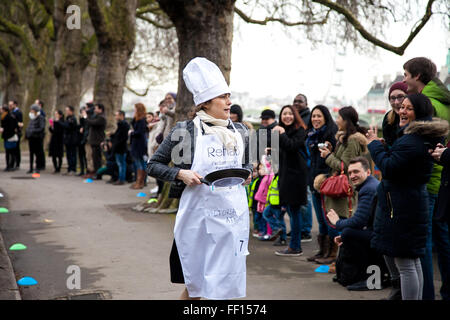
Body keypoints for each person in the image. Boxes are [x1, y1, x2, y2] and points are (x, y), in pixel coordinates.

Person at [147, 57, 252, 300]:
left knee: (226, 281)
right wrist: (180, 173)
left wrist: (247, 173)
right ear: (206, 103)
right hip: (199, 219)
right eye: (223, 97)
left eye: (229, 96)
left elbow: (245, 164)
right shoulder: (186, 131)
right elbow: (153, 165)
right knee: (198, 284)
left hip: (231, 218)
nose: (229, 102)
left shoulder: (241, 131)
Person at [367, 93, 448, 300]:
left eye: (408, 108)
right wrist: (386, 147)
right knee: (410, 261)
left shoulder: (412, 140)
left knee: (406, 263)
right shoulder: (418, 138)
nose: (402, 111)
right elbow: (401, 163)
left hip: (403, 205)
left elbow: (389, 167)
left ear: (419, 112)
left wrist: (375, 146)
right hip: (409, 202)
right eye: (401, 107)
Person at [403, 57, 450, 300]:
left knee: (424, 241)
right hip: (443, 178)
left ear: (418, 77)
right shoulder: (443, 101)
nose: (404, 80)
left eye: (406, 75)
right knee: (443, 240)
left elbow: (416, 144)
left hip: (429, 179)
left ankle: (426, 295)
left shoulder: (427, 104)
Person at [317, 106, 368, 265]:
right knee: (336, 222)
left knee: (341, 223)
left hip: (344, 189)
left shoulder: (352, 140)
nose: (336, 120)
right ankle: (338, 259)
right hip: (341, 187)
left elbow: (346, 166)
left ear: (346, 121)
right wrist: (333, 151)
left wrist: (328, 156)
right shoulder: (345, 138)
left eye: (339, 117)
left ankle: (342, 260)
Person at [326, 157, 381, 290]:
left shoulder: (368, 189)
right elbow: (363, 219)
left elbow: (358, 221)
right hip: (379, 231)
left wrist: (338, 222)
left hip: (382, 236)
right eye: (350, 173)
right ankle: (352, 275)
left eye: (356, 171)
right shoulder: (368, 185)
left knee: (349, 233)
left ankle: (370, 280)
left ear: (368, 172)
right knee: (347, 234)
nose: (352, 176)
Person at [272, 105, 308, 256]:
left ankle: (295, 246)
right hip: (286, 176)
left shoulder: (300, 130)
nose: (287, 116)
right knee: (292, 212)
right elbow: (282, 151)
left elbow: (292, 146)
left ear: (295, 116)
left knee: (295, 212)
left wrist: (281, 133)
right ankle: (294, 245)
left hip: (296, 177)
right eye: (284, 114)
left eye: (290, 114)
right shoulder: (284, 131)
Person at [305, 105, 338, 262]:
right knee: (320, 220)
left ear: (326, 117)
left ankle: (332, 254)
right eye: (313, 116)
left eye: (319, 116)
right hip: (314, 182)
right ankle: (322, 251)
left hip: (327, 184)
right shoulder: (311, 135)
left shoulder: (331, 135)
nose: (315, 119)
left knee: (328, 218)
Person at [82, 103, 106, 179]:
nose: (94, 110)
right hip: (94, 140)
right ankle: (96, 173)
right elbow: (91, 120)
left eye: (96, 108)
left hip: (98, 140)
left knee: (97, 159)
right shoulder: (97, 116)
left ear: (100, 109)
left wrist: (85, 117)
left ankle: (98, 174)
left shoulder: (101, 118)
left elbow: (92, 122)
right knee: (95, 158)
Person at [383, 82, 408, 147]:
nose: (396, 102)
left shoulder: (415, 117)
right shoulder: (387, 118)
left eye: (400, 97)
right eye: (393, 98)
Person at [129, 103, 148, 189]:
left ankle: (140, 182)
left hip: (139, 145)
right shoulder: (138, 119)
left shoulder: (142, 120)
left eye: (135, 109)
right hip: (136, 144)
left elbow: (140, 132)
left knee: (140, 163)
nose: (134, 110)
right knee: (138, 163)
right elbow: (132, 123)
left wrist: (131, 133)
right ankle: (138, 181)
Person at [111, 110, 130, 185]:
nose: (116, 117)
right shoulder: (120, 124)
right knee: (120, 164)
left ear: (121, 115)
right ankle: (120, 178)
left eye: (117, 115)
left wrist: (116, 144)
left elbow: (122, 138)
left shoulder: (124, 125)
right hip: (119, 147)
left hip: (121, 148)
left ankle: (121, 179)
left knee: (121, 164)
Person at [25, 104, 46, 173]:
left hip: (37, 138)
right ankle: (31, 168)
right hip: (31, 138)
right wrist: (27, 133)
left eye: (32, 110)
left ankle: (38, 167)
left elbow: (41, 128)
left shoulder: (41, 118)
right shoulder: (32, 118)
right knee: (31, 153)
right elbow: (29, 127)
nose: (31, 111)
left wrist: (33, 131)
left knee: (38, 153)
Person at [61, 106, 78, 175]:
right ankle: (69, 168)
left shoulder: (73, 119)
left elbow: (68, 126)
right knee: (68, 154)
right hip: (67, 139)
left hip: (72, 139)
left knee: (72, 154)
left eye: (67, 110)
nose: (66, 112)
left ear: (71, 111)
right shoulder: (67, 118)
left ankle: (73, 169)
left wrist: (60, 122)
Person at [1, 105, 19, 171]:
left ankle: (11, 165)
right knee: (9, 152)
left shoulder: (9, 117)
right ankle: (9, 165)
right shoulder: (5, 116)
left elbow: (11, 127)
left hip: (10, 136)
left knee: (11, 152)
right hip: (7, 136)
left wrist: (3, 129)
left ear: (4, 110)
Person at [8, 100, 23, 170]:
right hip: (11, 132)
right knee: (12, 149)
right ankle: (12, 163)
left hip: (16, 133)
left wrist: (17, 128)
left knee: (16, 148)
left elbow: (20, 123)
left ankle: (17, 163)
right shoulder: (11, 112)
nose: (10, 107)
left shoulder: (18, 112)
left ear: (15, 105)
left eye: (11, 105)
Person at [77, 106, 88, 176]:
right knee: (80, 155)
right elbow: (79, 126)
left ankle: (87, 170)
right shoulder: (81, 119)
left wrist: (84, 117)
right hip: (80, 138)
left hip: (85, 139)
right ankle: (82, 170)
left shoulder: (87, 119)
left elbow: (86, 126)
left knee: (85, 156)